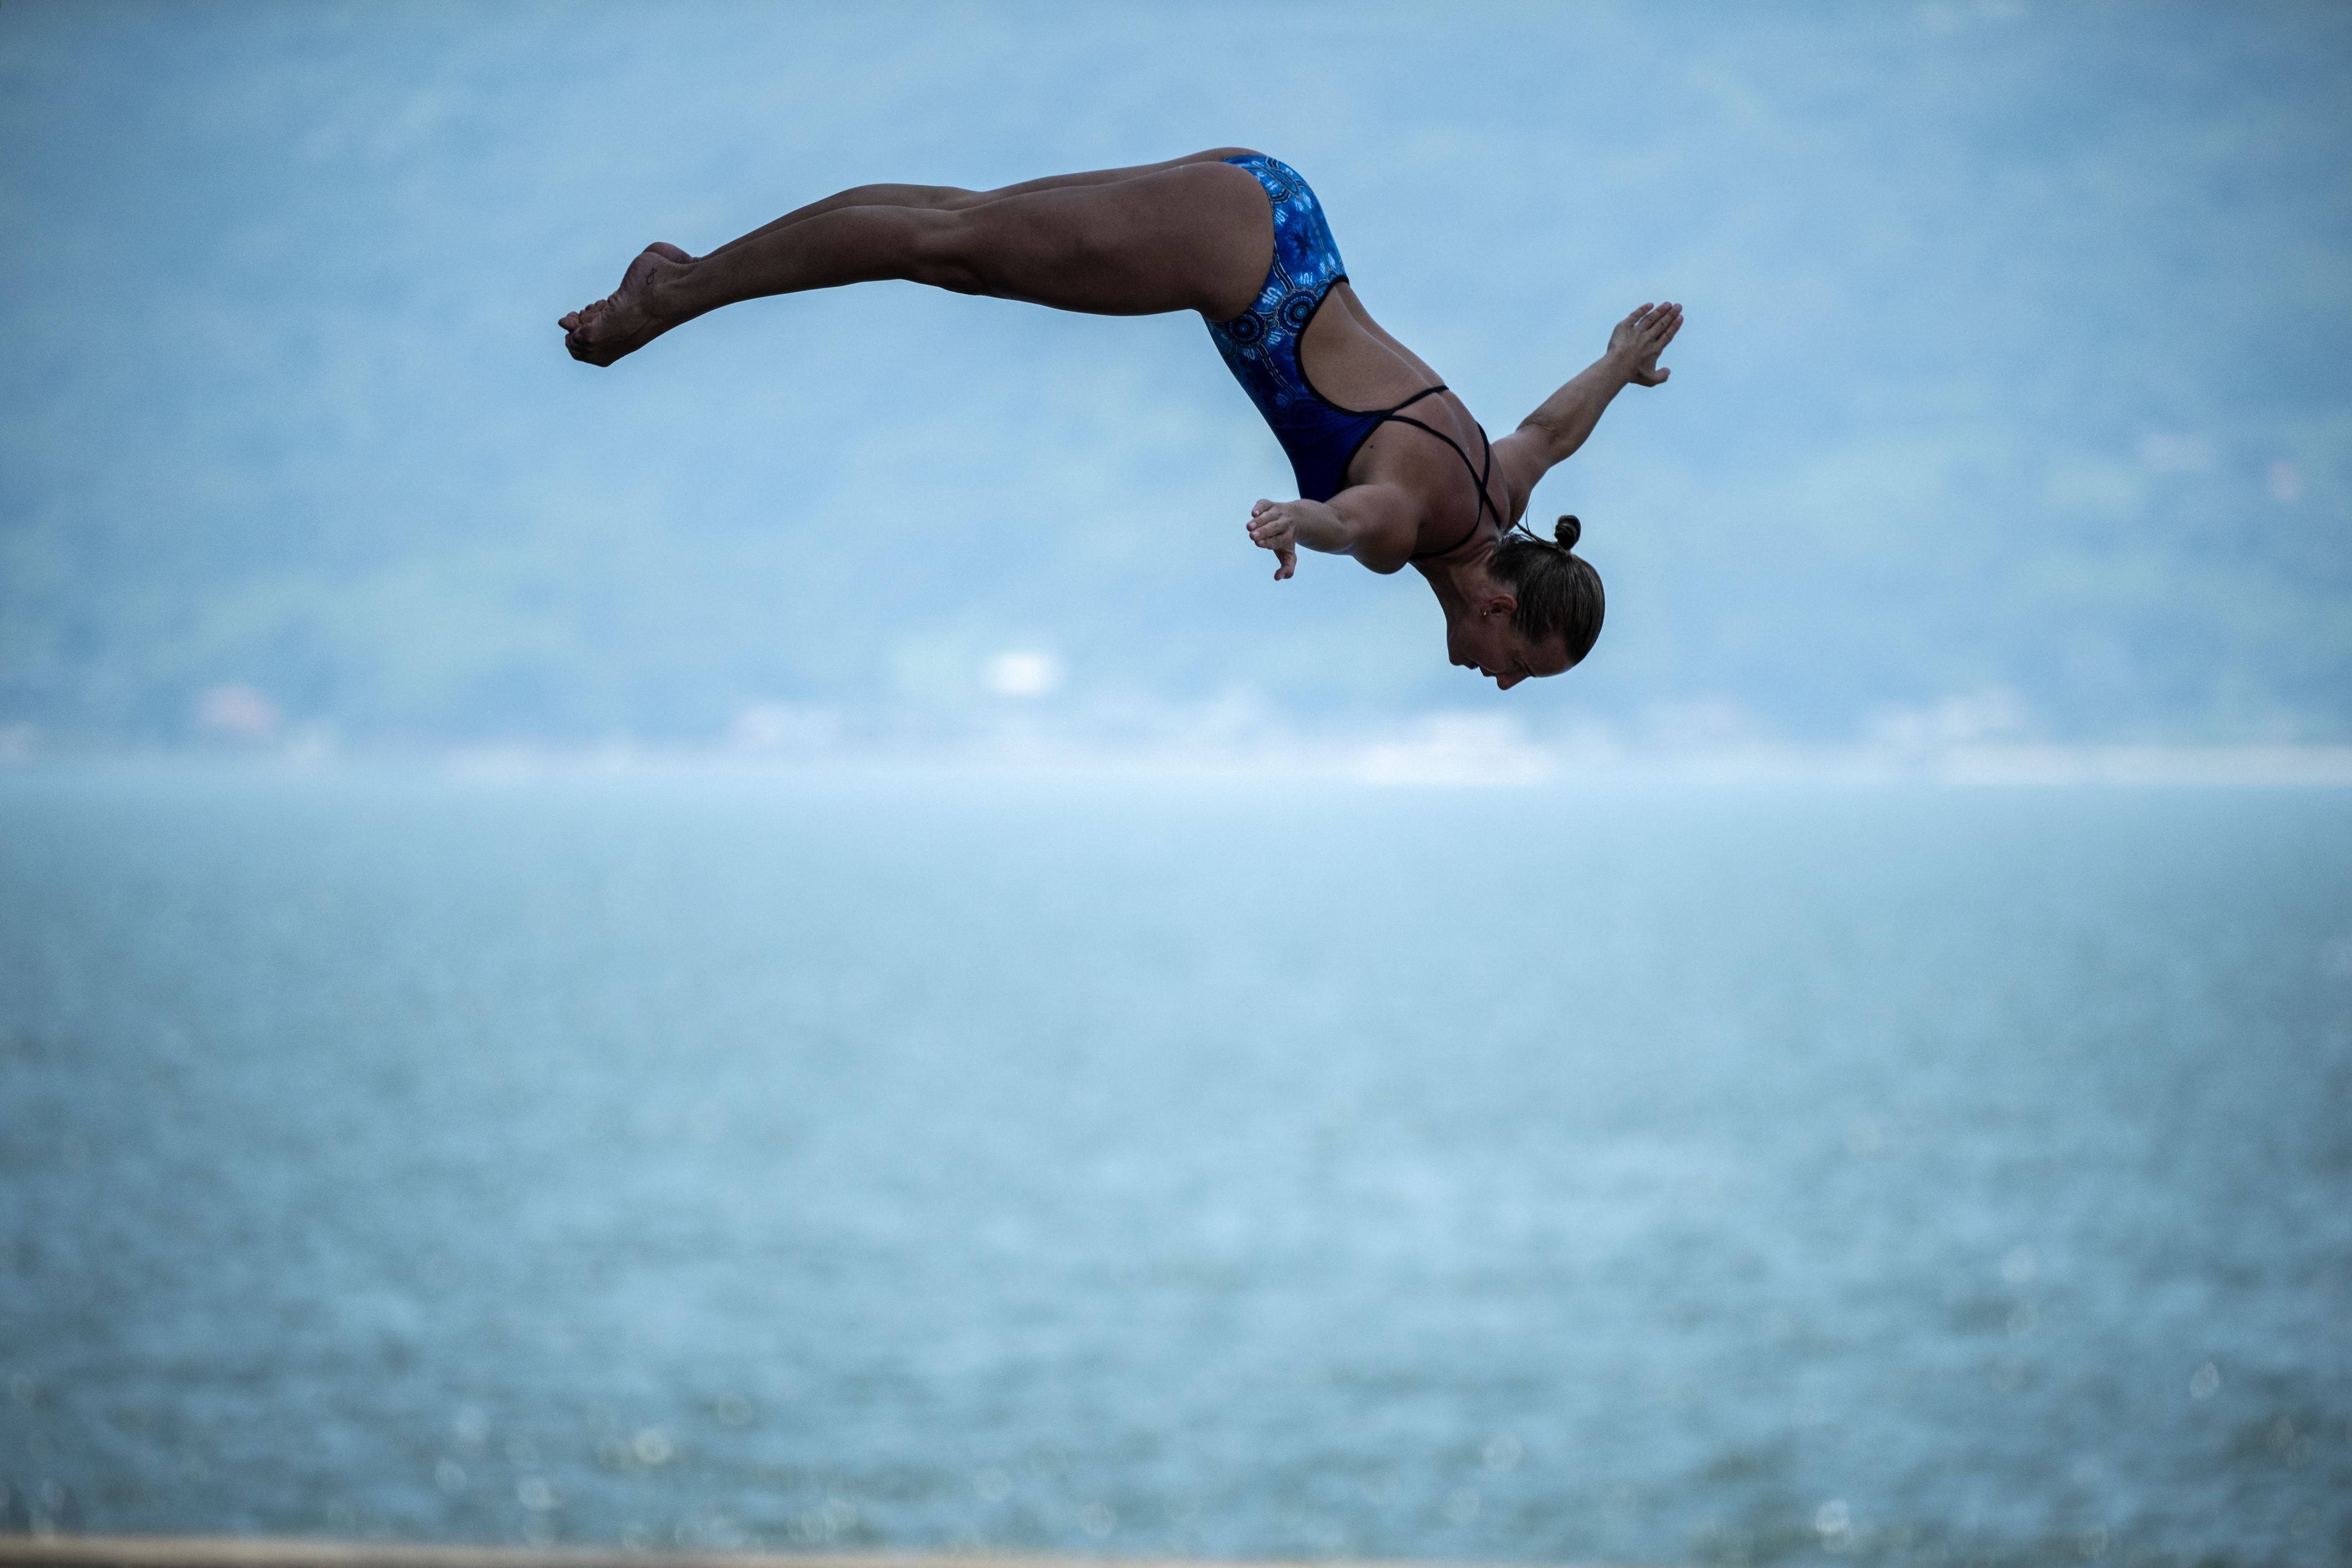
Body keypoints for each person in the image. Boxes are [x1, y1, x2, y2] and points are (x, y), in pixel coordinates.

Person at [559, 149, 1682, 689]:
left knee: (958, 230)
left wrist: (1618, 365)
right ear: (1497, 599)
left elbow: (1549, 427)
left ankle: (685, 281)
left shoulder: (1501, 492)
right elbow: (1364, 517)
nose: (1499, 679)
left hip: (1274, 216)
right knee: (943, 245)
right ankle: (672, 297)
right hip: (1238, 258)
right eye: (1517, 661)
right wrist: (1305, 521)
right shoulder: (1418, 527)